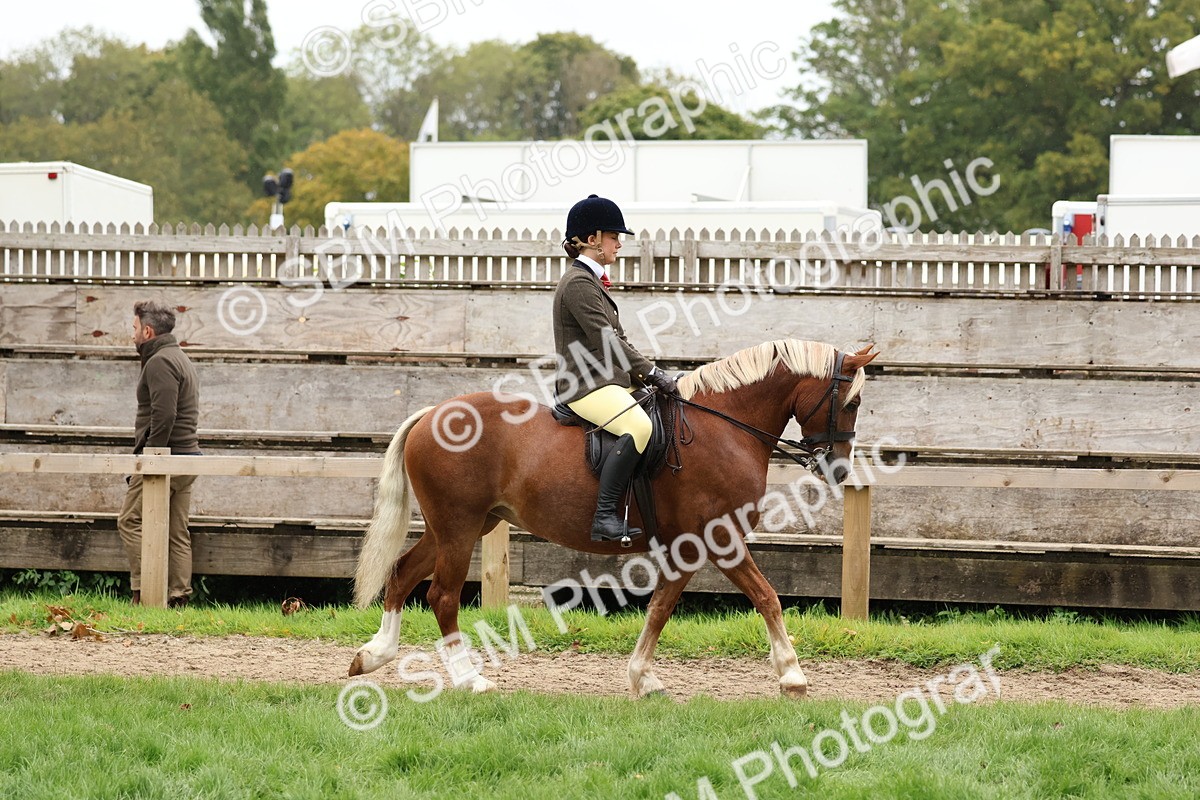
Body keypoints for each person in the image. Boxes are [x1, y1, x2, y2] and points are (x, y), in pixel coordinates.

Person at [553, 194, 677, 543]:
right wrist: (653, 373)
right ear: (592, 240)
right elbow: (608, 343)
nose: (620, 244)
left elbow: (621, 340)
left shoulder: (591, 282)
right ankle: (605, 516)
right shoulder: (578, 283)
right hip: (583, 386)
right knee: (639, 425)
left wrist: (650, 374)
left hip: (606, 381)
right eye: (614, 237)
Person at [117, 300, 202, 607]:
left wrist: (150, 460)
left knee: (129, 520)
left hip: (166, 459)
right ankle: (178, 598)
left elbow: (163, 415)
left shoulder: (160, 362)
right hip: (186, 457)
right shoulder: (179, 357)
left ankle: (143, 593)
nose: (133, 334)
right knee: (176, 533)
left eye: (135, 328)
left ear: (148, 330)